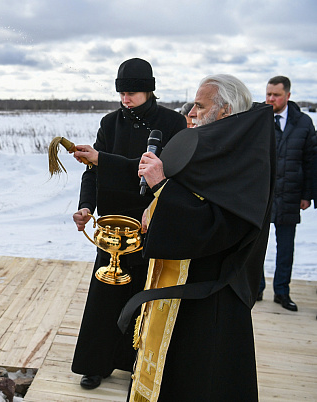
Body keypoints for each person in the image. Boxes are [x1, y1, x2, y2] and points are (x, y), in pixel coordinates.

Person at [123, 74, 274, 401]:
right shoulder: (213, 147)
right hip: (179, 288)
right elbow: (189, 201)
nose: (190, 111)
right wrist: (156, 206)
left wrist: (162, 186)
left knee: (200, 382)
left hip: (209, 298)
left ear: (224, 111)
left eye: (200, 105)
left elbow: (220, 229)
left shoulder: (243, 159)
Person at [69, 58, 187, 390]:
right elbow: (92, 172)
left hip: (153, 222)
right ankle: (96, 364)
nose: (125, 99)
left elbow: (161, 170)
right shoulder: (109, 123)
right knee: (104, 300)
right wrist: (85, 207)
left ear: (149, 90)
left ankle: (142, 366)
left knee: (145, 296)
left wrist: (101, 158)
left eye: (132, 92)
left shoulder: (174, 123)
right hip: (112, 228)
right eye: (121, 92)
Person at [258, 76, 316, 311]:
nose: (271, 99)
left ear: (288, 96)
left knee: (286, 248)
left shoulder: (304, 123)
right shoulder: (258, 120)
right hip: (261, 194)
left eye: (276, 95)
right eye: (268, 93)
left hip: (291, 193)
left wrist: (307, 194)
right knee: (257, 245)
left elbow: (311, 160)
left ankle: (282, 292)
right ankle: (256, 288)